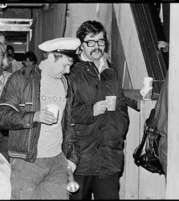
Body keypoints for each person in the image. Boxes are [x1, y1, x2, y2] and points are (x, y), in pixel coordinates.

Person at [0, 37, 81, 199]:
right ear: (51, 57)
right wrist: (34, 116)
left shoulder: (65, 82)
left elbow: (70, 124)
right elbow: (3, 117)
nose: (68, 71)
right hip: (27, 162)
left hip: (57, 160)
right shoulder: (21, 79)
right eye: (65, 65)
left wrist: (72, 157)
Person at [68, 20, 129, 200]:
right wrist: (90, 111)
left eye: (100, 41)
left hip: (109, 155)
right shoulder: (71, 71)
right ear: (81, 45)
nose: (97, 47)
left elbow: (121, 103)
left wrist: (120, 128)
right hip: (81, 157)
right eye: (91, 42)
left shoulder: (110, 70)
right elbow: (64, 111)